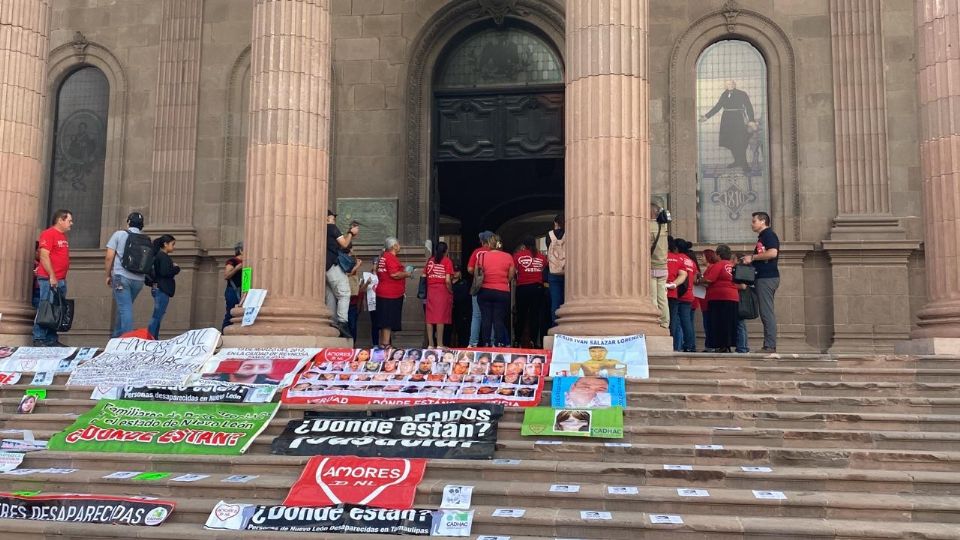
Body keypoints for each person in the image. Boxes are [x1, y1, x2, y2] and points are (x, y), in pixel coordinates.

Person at [741, 211, 780, 352]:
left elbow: (773, 253)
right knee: (765, 311)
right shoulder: (764, 236)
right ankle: (768, 344)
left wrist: (753, 258)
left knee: (766, 312)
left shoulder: (769, 235)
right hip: (763, 278)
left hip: (767, 278)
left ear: (763, 221)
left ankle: (770, 345)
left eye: (754, 221)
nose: (752, 224)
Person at [105, 211, 148, 338]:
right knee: (123, 307)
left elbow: (109, 257)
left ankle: (127, 341)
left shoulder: (119, 234)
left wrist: (108, 275)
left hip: (121, 277)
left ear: (128, 222)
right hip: (139, 280)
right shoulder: (145, 239)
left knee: (125, 309)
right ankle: (117, 338)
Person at [33, 209, 73, 347]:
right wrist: (52, 276)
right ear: (60, 220)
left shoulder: (63, 237)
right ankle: (39, 337)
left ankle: (51, 338)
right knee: (45, 307)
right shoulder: (48, 234)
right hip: (49, 278)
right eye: (69, 220)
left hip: (60, 279)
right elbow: (44, 256)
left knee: (56, 310)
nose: (71, 224)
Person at [699, 79, 755, 170]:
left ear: (735, 84)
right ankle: (737, 161)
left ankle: (744, 164)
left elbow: (749, 106)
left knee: (740, 142)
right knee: (731, 142)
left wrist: (751, 120)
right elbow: (717, 107)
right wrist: (706, 116)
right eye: (728, 84)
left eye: (732, 83)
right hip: (726, 121)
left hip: (738, 119)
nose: (730, 85)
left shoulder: (742, 94)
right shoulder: (724, 94)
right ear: (725, 86)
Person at [476, 234, 515, 347]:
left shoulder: (482, 256)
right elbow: (511, 275)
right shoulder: (508, 256)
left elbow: (477, 273)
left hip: (485, 290)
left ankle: (486, 342)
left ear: (489, 244)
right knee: (498, 318)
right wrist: (503, 281)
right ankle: (499, 343)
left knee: (486, 318)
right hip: (502, 291)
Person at [325, 211, 359, 338]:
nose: (334, 221)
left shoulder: (318, 230)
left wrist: (349, 235)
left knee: (331, 296)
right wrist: (351, 233)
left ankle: (332, 324)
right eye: (332, 218)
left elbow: (339, 246)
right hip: (332, 266)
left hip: (322, 269)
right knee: (344, 293)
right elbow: (344, 244)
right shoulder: (331, 228)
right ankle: (342, 322)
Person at [702, 244, 740, 353]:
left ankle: (721, 345)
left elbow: (709, 279)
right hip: (733, 296)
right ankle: (727, 345)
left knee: (718, 322)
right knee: (729, 323)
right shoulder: (732, 265)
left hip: (718, 297)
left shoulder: (718, 265)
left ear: (718, 255)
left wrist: (700, 280)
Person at [375, 237, 411, 348]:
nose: (399, 246)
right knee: (388, 319)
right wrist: (406, 274)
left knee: (384, 319)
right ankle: (386, 344)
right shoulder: (390, 258)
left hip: (383, 291)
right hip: (390, 293)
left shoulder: (383, 257)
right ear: (394, 246)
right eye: (398, 244)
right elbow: (394, 274)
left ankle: (384, 343)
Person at [514, 235, 547, 348]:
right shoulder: (542, 257)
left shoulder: (518, 256)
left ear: (524, 245)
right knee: (535, 315)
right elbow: (544, 269)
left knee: (521, 315)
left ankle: (517, 340)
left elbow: (514, 271)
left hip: (522, 288)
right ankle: (533, 340)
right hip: (537, 288)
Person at [147, 235, 179, 340]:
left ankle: (153, 337)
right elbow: (165, 272)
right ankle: (150, 338)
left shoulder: (158, 256)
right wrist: (176, 268)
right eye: (172, 244)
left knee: (158, 315)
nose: (174, 247)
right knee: (157, 316)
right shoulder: (163, 256)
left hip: (158, 288)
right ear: (165, 244)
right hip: (162, 289)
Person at [466, 230, 494, 346]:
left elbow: (470, 269)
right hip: (492, 286)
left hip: (478, 287)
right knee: (492, 315)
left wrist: (478, 274)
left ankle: (473, 343)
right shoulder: (495, 252)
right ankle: (492, 342)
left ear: (482, 241)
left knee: (476, 315)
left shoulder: (477, 252)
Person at [424, 241, 454, 348]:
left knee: (430, 317)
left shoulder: (430, 261)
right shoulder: (447, 261)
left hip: (431, 290)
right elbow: (447, 280)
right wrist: (450, 290)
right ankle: (440, 344)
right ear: (446, 251)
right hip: (442, 291)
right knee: (440, 318)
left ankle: (431, 344)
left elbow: (424, 275)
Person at [666, 237, 690, 352]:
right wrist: (674, 284)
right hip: (672, 293)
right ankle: (673, 346)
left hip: (658, 292)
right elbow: (683, 275)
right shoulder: (677, 259)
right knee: (673, 321)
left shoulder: (656, 257)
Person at [677, 239, 700, 353]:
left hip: (679, 293)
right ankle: (690, 345)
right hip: (690, 293)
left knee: (678, 322)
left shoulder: (678, 258)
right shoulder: (691, 261)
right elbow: (695, 279)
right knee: (687, 322)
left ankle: (679, 345)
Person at [649, 200, 669, 329]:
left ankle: (654, 322)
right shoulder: (663, 226)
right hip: (663, 266)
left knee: (652, 297)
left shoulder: (648, 227)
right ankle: (665, 322)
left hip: (651, 266)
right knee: (663, 298)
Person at [545, 214, 565, 327]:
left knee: (555, 302)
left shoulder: (549, 235)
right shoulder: (570, 233)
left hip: (553, 272)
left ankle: (555, 326)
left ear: (555, 223)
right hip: (568, 271)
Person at [698, 248, 719, 352]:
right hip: (704, 300)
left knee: (709, 324)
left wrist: (699, 281)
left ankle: (711, 346)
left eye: (703, 256)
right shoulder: (708, 269)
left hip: (708, 300)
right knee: (707, 324)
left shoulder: (712, 268)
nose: (701, 258)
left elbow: (709, 281)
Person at [222, 242, 244, 330]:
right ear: (241, 250)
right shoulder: (233, 261)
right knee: (231, 313)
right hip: (233, 291)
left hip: (243, 291)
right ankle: (224, 333)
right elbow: (226, 275)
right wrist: (236, 268)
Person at [450, 262, 471, 347]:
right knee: (447, 331)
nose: (455, 273)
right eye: (454, 271)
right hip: (449, 310)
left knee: (462, 331)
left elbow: (464, 296)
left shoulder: (464, 283)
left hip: (461, 310)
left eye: (457, 271)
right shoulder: (447, 283)